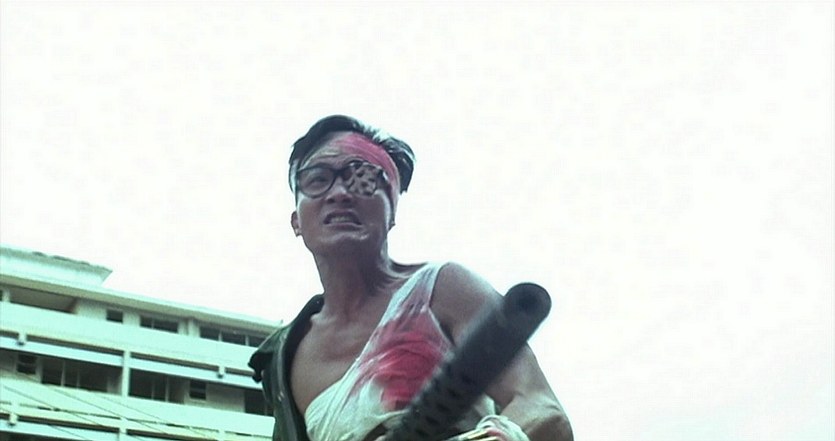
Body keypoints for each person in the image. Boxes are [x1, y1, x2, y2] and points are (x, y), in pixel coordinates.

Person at [249, 115, 573, 441]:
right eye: (318, 179)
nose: (340, 193)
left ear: (392, 211)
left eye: (362, 177)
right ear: (296, 221)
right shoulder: (286, 357)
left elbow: (543, 409)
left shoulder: (441, 289)